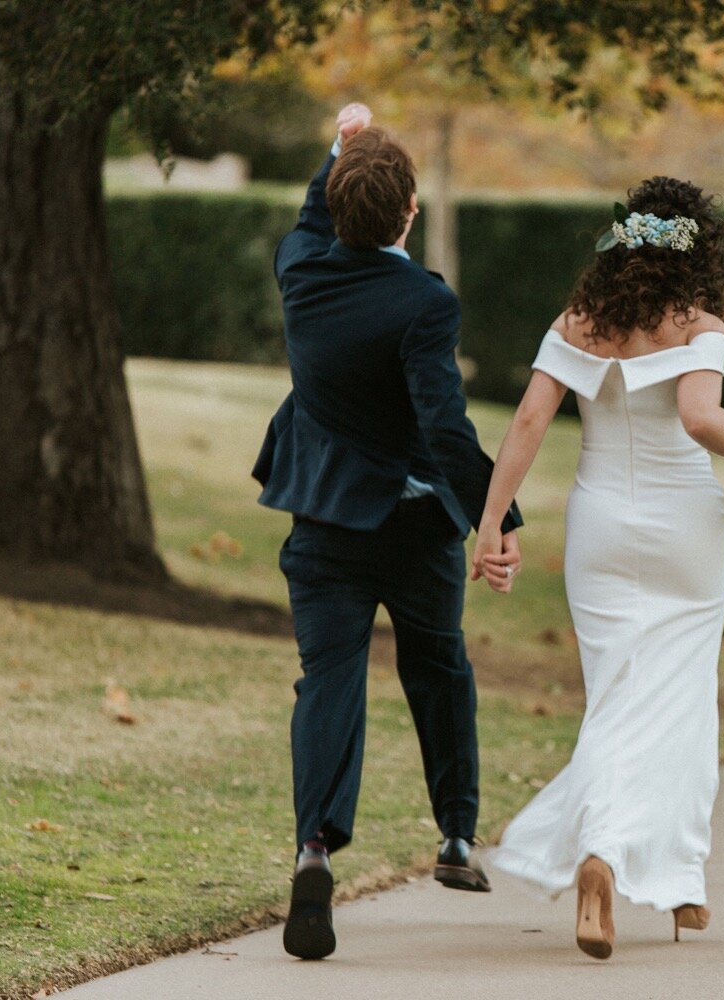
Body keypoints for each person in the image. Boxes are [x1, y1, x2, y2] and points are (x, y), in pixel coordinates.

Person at [471, 177, 724, 960]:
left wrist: (491, 523)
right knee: (679, 699)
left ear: (622, 246)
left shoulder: (578, 322)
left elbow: (531, 420)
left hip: (600, 527)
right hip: (684, 532)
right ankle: (637, 865)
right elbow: (699, 417)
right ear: (701, 251)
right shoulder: (697, 325)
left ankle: (657, 874)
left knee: (615, 698)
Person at [252, 103, 524, 961]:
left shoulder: (299, 269)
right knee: (437, 664)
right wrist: (496, 517)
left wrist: (339, 145)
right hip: (413, 531)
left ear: (335, 208)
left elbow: (307, 218)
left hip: (323, 518)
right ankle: (454, 836)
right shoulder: (423, 301)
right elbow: (444, 430)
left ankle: (315, 848)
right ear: (409, 212)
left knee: (328, 679)